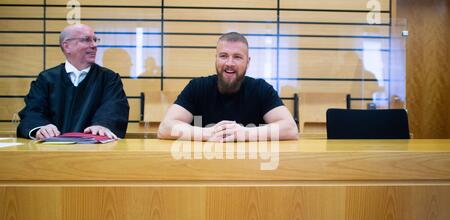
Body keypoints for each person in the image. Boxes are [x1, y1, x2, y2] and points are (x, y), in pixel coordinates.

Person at [157, 32, 298, 142]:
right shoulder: (197, 87)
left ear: (248, 62)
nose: (229, 63)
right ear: (216, 58)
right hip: (202, 167)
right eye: (223, 56)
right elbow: (165, 128)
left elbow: (291, 129)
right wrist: (208, 133)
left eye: (237, 57)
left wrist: (245, 133)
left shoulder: (261, 89)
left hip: (250, 169)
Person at [17, 24, 129, 140]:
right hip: (51, 150)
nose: (94, 45)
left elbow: (115, 107)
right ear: (67, 46)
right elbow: (33, 110)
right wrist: (41, 127)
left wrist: (103, 124)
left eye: (95, 40)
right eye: (86, 40)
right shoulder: (46, 79)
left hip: (94, 150)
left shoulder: (109, 78)